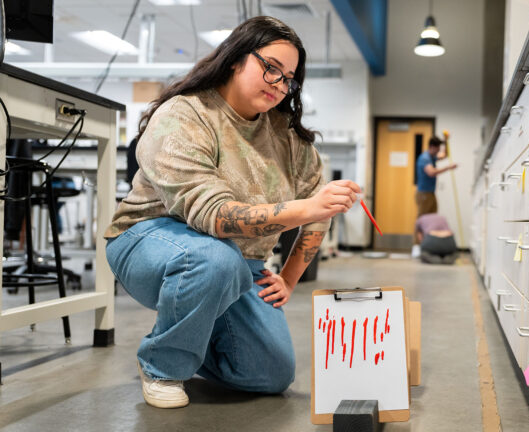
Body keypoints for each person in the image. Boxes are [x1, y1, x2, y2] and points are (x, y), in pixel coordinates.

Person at [103, 16, 361, 409]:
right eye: (270, 67)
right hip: (149, 239)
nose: (279, 84)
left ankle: (190, 329)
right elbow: (215, 216)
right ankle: (162, 365)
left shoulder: (286, 137)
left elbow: (318, 209)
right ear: (237, 58)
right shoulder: (185, 114)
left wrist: (290, 279)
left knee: (269, 374)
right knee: (212, 258)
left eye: (289, 77)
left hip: (240, 263)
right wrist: (307, 206)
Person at [414, 136, 457, 217]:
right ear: (432, 147)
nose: (439, 150)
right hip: (424, 193)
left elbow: (445, 155)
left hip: (430, 193)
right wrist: (448, 167)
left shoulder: (432, 157)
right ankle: (418, 230)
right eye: (438, 148)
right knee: (422, 219)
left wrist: (446, 141)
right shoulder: (425, 158)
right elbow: (431, 172)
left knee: (432, 218)